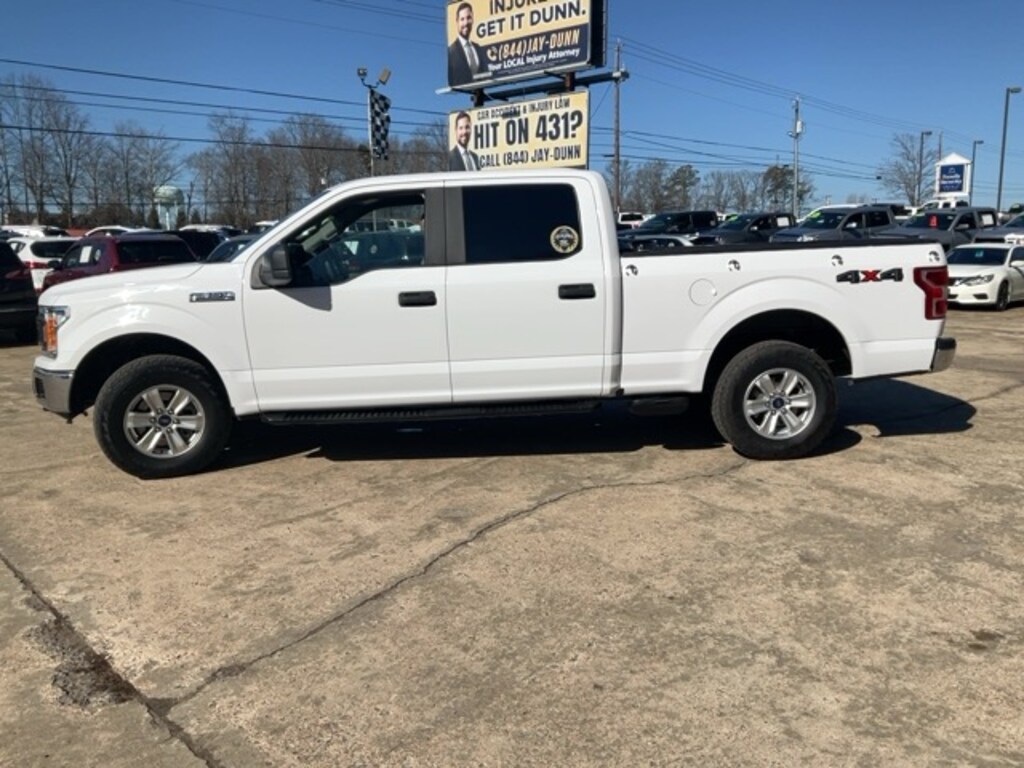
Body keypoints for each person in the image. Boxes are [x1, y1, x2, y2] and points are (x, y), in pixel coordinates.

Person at [447, 2, 488, 88]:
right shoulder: (451, 51)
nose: (466, 23)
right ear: (457, 21)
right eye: (462, 19)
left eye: (468, 18)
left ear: (472, 19)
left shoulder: (478, 48)